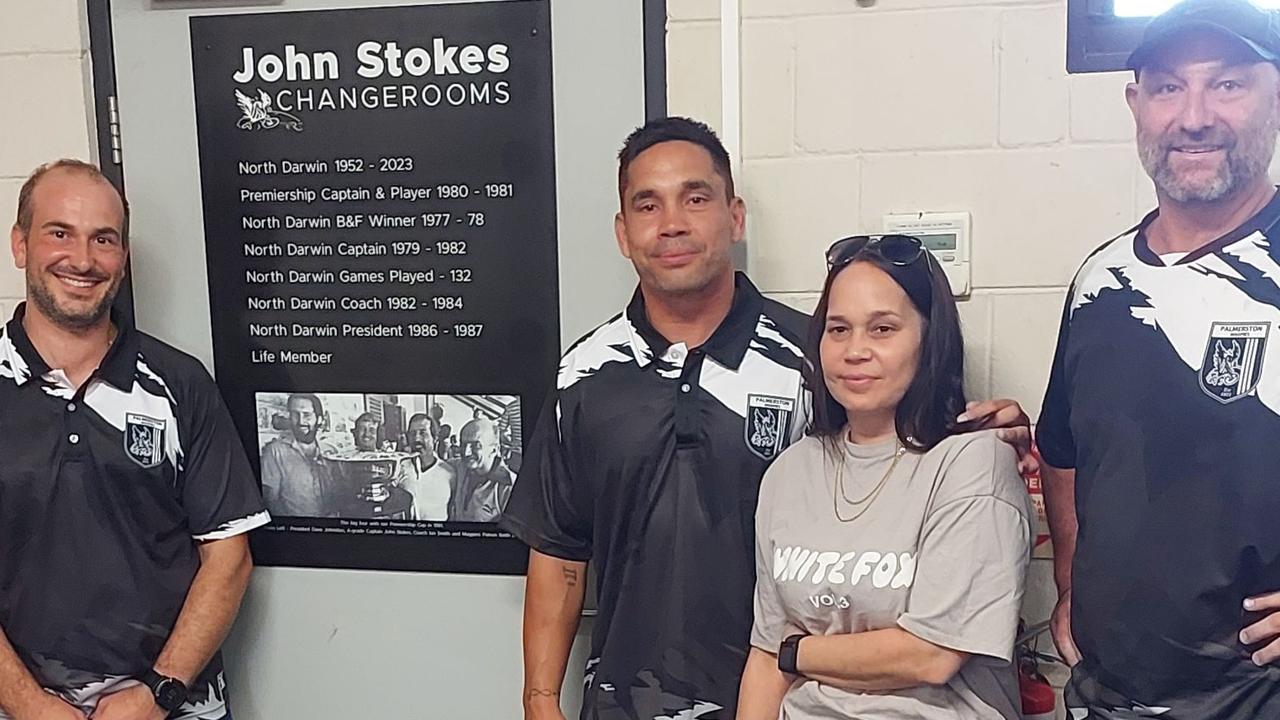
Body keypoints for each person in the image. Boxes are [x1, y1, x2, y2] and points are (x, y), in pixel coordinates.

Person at [498, 117, 1033, 720]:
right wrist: (540, 699)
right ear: (623, 233)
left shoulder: (815, 358)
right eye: (648, 205)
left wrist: (986, 425)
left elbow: (903, 445)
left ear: (735, 215)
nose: (672, 222)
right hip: (627, 700)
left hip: (784, 696)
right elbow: (559, 549)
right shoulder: (584, 374)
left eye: (695, 198)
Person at [1038, 2, 1280, 716]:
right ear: (1136, 103)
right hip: (1110, 693)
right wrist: (1073, 588)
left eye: (1229, 85)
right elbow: (1066, 451)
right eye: (1170, 88)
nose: (1195, 116)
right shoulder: (1100, 282)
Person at [0, 160, 269, 720]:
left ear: (122, 261)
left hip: (172, 707)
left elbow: (229, 557)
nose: (82, 259)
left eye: (104, 240)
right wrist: (27, 704)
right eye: (59, 233)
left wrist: (158, 692)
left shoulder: (181, 384)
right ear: (20, 244)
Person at [737, 235, 1032, 719]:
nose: (855, 350)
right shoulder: (789, 473)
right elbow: (765, 657)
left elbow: (931, 655)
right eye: (838, 329)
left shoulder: (973, 463)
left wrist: (798, 652)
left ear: (928, 339)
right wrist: (782, 653)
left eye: (882, 329)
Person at [260, 393, 334, 517]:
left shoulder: (331, 451)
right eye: (295, 415)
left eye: (307, 415)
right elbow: (271, 501)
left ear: (319, 419)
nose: (300, 421)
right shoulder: (274, 451)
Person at [450, 418, 515, 521]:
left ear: (494, 449)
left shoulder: (509, 488)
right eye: (463, 445)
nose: (467, 452)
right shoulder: (458, 467)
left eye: (476, 445)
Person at [399, 412, 456, 521]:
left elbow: (453, 512)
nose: (416, 438)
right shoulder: (400, 469)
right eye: (412, 433)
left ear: (435, 438)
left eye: (423, 433)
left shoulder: (449, 473)